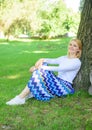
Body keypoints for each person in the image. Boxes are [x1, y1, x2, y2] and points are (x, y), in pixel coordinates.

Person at [6, 38, 82, 105]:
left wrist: (39, 68)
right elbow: (53, 61)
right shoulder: (64, 58)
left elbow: (60, 68)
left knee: (40, 71)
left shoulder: (76, 62)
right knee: (42, 67)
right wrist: (42, 59)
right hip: (58, 81)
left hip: (64, 86)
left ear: (78, 49)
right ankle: (23, 96)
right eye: (70, 44)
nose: (71, 47)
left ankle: (21, 97)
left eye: (74, 46)